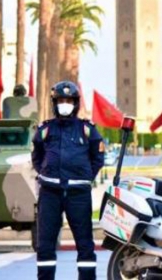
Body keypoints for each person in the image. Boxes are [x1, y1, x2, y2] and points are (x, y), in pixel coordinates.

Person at [31, 81, 105, 280]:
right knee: (45, 246)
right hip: (50, 194)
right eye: (61, 100)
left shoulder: (87, 130)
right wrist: (45, 173)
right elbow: (36, 156)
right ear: (54, 103)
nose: (65, 104)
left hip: (78, 195)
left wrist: (85, 177)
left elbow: (98, 158)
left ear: (76, 103)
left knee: (85, 245)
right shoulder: (45, 130)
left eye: (69, 100)